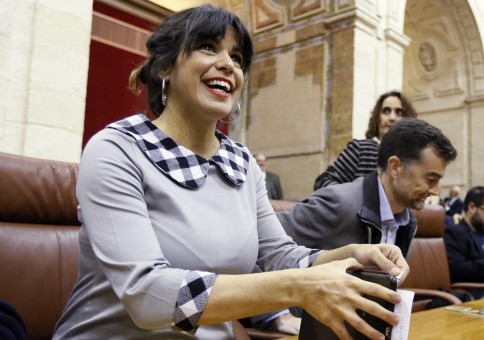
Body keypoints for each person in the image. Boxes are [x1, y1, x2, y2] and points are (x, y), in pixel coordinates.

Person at [53, 6, 409, 339]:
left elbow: (281, 257)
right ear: (164, 67)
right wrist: (301, 286)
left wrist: (349, 255)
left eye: (237, 58)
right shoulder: (117, 149)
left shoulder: (241, 161)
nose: (228, 65)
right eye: (208, 47)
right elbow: (146, 295)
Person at [280, 118, 457, 256]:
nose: (435, 191)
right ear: (395, 167)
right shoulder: (338, 203)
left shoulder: (408, 221)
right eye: (431, 179)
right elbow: (262, 240)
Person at [313, 90, 418, 190]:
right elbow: (323, 182)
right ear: (377, 118)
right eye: (386, 111)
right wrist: (355, 198)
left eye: (399, 112)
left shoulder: (414, 159)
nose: (392, 117)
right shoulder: (360, 149)